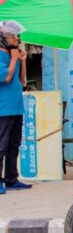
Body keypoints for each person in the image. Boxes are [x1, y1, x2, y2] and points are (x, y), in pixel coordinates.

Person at [0, 21, 31, 194]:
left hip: (17, 107)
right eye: (12, 36)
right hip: (3, 109)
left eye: (17, 35)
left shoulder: (15, 55)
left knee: (14, 145)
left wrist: (22, 61)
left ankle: (11, 178)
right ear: (3, 38)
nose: (16, 38)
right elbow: (5, 78)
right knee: (1, 146)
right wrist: (13, 59)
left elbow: (21, 80)